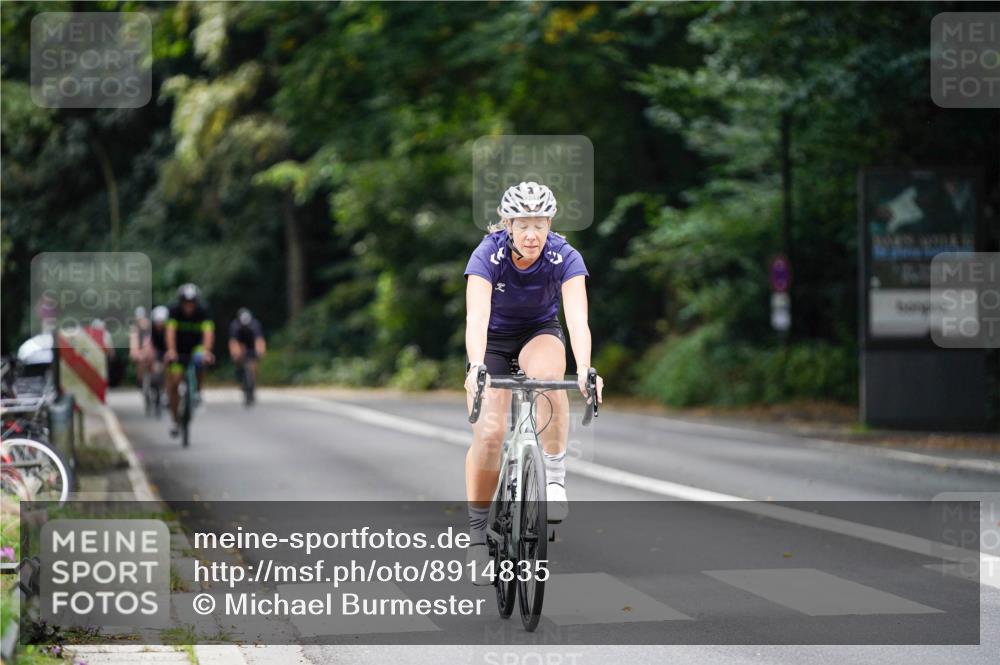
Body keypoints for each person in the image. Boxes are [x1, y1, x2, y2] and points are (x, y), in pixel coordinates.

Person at [462, 181, 603, 583]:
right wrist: (476, 366)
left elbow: (577, 319)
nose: (531, 234)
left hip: (538, 334)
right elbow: (476, 317)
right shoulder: (487, 254)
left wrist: (586, 368)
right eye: (523, 224)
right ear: (508, 224)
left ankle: (554, 478)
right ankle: (477, 537)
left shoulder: (564, 256)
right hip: (492, 341)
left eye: (539, 224)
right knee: (490, 435)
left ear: (550, 224)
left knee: (549, 379)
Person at [164, 284, 215, 437]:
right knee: (174, 382)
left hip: (196, 347)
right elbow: (170, 332)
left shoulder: (203, 311)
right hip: (178, 349)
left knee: (201, 360)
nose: (189, 306)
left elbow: (208, 332)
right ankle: (174, 420)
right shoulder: (174, 311)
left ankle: (198, 391)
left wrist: (207, 351)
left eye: (192, 303)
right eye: (186, 303)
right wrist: (171, 350)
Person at [228, 307, 266, 405]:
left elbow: (259, 340)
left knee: (253, 365)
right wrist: (235, 354)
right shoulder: (234, 326)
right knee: (239, 360)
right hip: (241, 344)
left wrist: (260, 352)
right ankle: (240, 377)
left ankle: (253, 385)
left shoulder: (255, 325)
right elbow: (233, 342)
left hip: (251, 345)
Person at [128, 306, 152, 387]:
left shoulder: (149, 328)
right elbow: (133, 343)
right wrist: (135, 353)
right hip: (139, 351)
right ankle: (140, 381)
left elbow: (148, 342)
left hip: (148, 349)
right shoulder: (134, 329)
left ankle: (152, 379)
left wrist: (146, 352)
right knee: (140, 361)